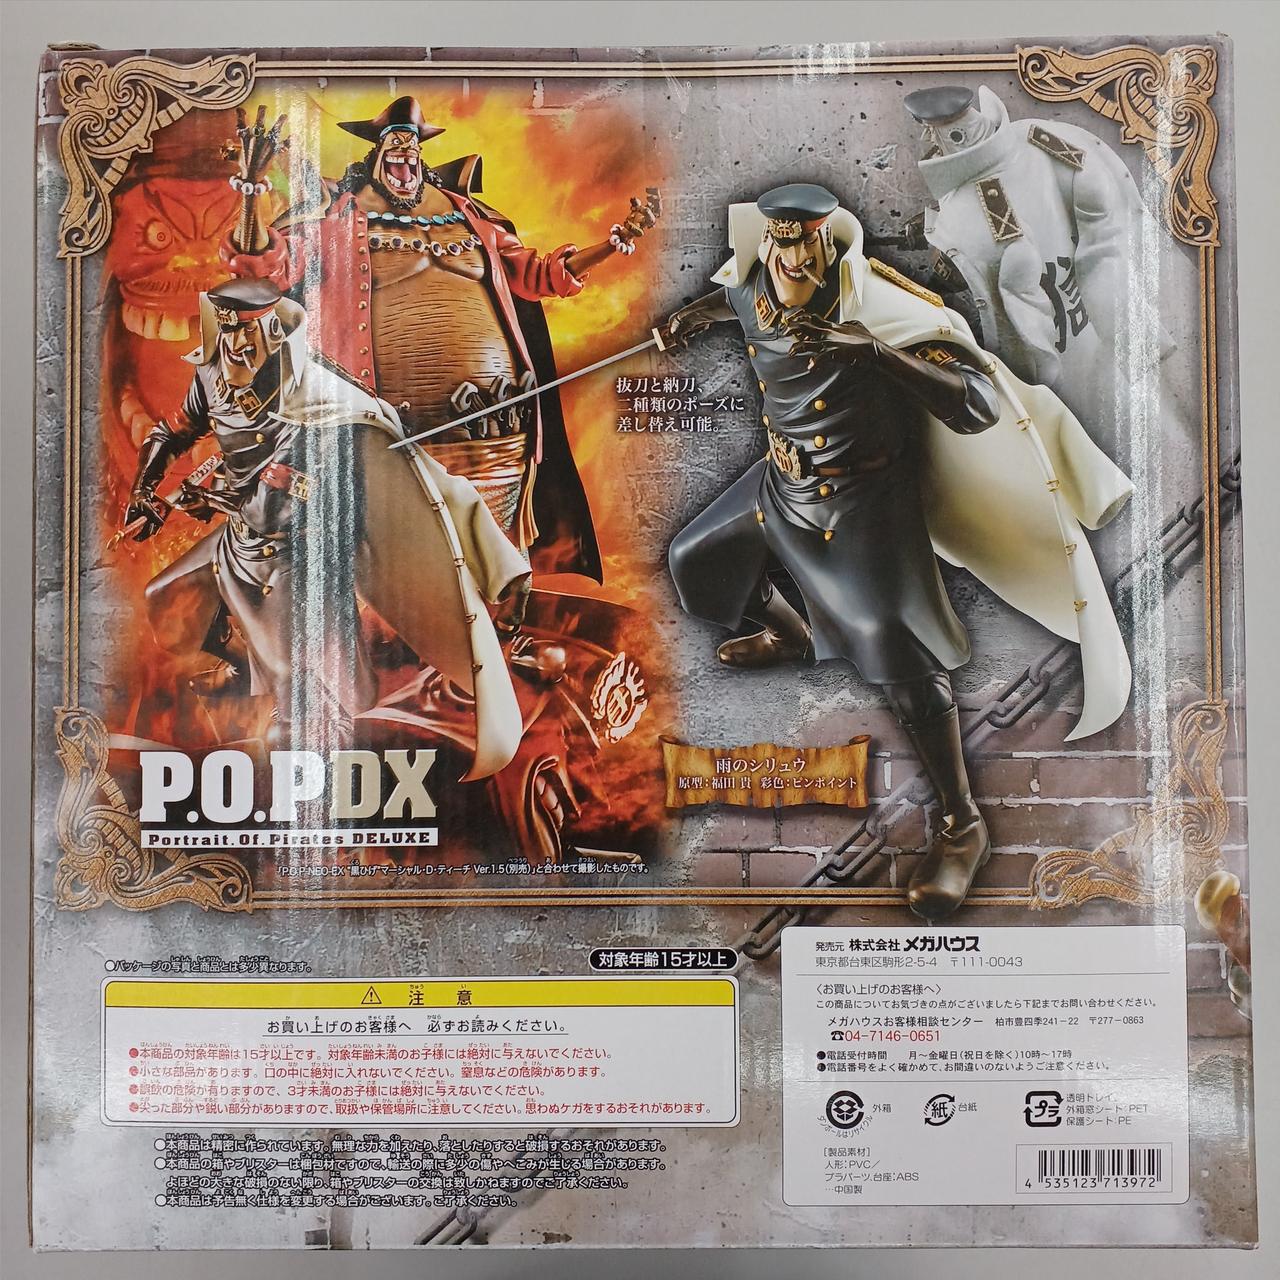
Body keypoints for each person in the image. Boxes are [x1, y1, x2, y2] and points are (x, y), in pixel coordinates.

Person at [660, 184, 1133, 918]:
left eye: (806, 245)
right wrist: (694, 314)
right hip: (783, 489)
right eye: (781, 245)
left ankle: (962, 824)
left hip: (865, 509)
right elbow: (738, 302)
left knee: (904, 660)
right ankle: (793, 632)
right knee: (697, 560)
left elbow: (975, 404)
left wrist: (876, 353)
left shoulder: (882, 309)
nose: (791, 261)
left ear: (829, 244)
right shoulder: (755, 287)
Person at [125, 278, 531, 779]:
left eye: (247, 334)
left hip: (299, 560)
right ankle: (246, 663)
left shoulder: (319, 400)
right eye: (227, 333)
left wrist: (210, 499)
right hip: (237, 545)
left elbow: (293, 506)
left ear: (274, 332)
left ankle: (319, 731)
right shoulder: (211, 374)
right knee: (165, 600)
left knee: (303, 719)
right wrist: (144, 489)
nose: (235, 347)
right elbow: (173, 432)